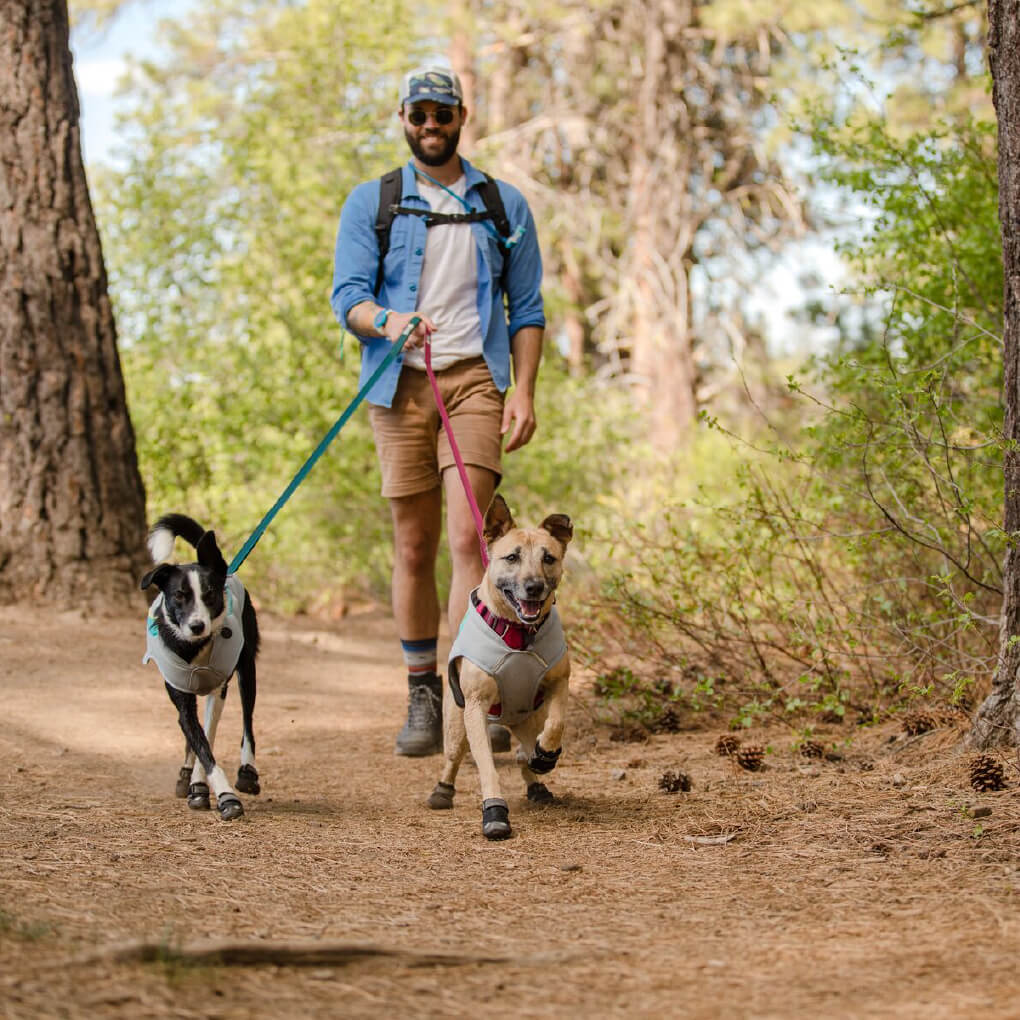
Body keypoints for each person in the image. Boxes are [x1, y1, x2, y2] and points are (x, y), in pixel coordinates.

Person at [330, 66, 546, 756]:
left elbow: (529, 309)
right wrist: (389, 321)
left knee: (467, 541)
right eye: (419, 113)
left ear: (461, 118)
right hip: (398, 387)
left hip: (474, 384)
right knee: (415, 545)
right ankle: (421, 691)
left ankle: (468, 693)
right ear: (402, 117)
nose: (431, 124)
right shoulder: (375, 202)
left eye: (442, 113)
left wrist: (525, 391)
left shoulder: (503, 204)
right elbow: (349, 298)